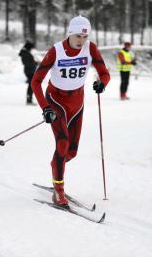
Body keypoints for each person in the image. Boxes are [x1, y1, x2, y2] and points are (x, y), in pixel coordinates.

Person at [31, 15, 110, 207]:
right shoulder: (56, 51)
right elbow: (36, 81)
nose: (81, 41)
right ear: (69, 33)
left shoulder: (90, 48)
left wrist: (102, 83)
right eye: (77, 36)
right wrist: (46, 108)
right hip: (56, 100)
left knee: (71, 152)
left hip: (77, 102)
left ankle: (56, 166)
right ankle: (59, 190)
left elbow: (104, 73)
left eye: (84, 37)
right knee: (63, 143)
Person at [19, 41, 38, 105]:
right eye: (31, 48)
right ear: (28, 47)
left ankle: (29, 99)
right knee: (31, 85)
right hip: (29, 71)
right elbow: (27, 63)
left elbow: (30, 62)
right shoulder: (25, 54)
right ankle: (29, 100)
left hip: (30, 70)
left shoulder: (26, 53)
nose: (31, 49)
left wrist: (36, 63)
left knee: (31, 85)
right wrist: (34, 64)